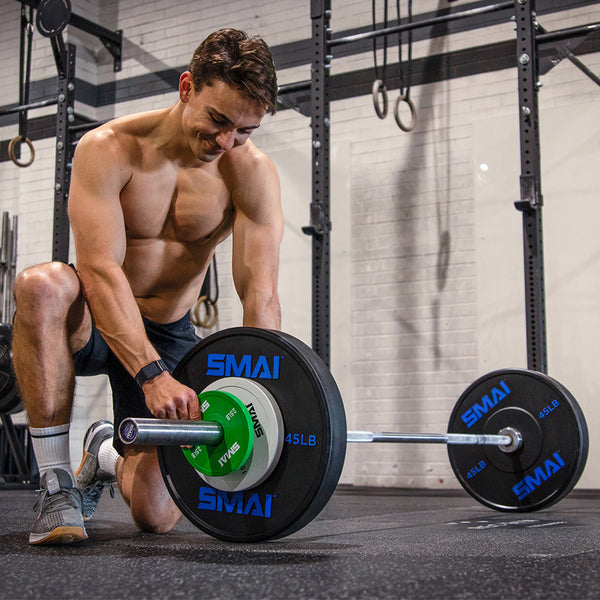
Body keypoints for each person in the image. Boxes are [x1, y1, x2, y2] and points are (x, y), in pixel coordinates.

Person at [12, 28, 283, 545]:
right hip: (95, 319)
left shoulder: (250, 174)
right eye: (218, 120)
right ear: (187, 88)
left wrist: (263, 392)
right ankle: (55, 483)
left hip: (171, 329)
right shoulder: (109, 149)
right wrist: (151, 375)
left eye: (244, 131)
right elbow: (98, 270)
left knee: (156, 517)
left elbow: (260, 293)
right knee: (42, 285)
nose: (225, 142)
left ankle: (107, 450)